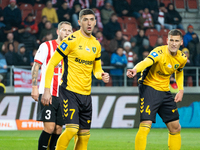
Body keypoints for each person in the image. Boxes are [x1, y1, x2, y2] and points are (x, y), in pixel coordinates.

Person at [41, 9, 109, 150]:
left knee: (84, 136)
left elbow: (96, 69)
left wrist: (101, 75)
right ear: (79, 22)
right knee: (72, 129)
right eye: (85, 20)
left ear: (96, 22)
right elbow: (51, 64)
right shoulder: (70, 41)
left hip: (86, 95)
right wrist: (47, 90)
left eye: (91, 19)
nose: (89, 23)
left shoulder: (96, 44)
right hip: (69, 92)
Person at [127, 29, 187, 150]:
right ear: (167, 40)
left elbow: (179, 72)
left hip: (165, 90)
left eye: (176, 41)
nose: (174, 43)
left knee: (175, 127)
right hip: (149, 87)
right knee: (145, 125)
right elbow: (146, 62)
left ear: (181, 42)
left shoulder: (182, 58)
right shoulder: (159, 52)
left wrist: (181, 90)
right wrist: (135, 69)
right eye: (171, 40)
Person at [31, 21, 73, 150]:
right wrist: (34, 87)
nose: (67, 33)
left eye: (69, 31)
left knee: (58, 129)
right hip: (48, 92)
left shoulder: (71, 50)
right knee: (49, 127)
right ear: (58, 31)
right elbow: (36, 66)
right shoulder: (47, 46)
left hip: (64, 95)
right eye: (64, 30)